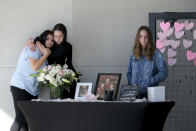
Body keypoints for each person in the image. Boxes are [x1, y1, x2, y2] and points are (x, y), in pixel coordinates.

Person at [10, 30, 54, 131]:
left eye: (52, 40)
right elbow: (34, 66)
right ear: (42, 38)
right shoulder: (33, 48)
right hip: (20, 86)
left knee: (27, 119)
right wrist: (46, 54)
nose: (50, 42)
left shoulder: (45, 56)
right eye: (47, 39)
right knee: (20, 118)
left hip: (32, 90)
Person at [27, 23, 78, 99]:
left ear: (65, 36)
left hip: (68, 80)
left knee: (67, 106)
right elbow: (39, 39)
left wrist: (37, 42)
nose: (58, 39)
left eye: (61, 36)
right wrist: (30, 41)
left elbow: (49, 55)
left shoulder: (67, 47)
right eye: (56, 36)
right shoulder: (52, 45)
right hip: (57, 80)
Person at [127, 26, 168, 99]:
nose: (143, 39)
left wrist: (151, 80)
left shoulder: (156, 54)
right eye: (141, 36)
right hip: (134, 94)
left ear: (149, 38)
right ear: (138, 38)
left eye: (146, 37)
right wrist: (131, 85)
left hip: (150, 94)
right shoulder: (133, 54)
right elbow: (129, 72)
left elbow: (164, 72)